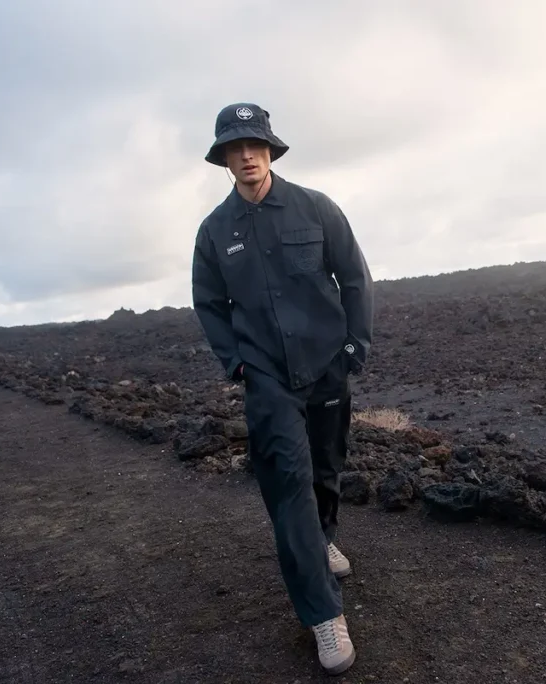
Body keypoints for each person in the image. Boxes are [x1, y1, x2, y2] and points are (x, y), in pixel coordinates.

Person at [191, 102, 373, 676]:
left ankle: (323, 538)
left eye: (255, 145)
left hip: (326, 365)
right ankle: (323, 613)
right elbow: (209, 304)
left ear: (270, 150)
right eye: (235, 148)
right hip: (267, 377)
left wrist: (355, 346)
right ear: (224, 159)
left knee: (325, 468)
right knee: (288, 483)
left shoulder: (316, 208)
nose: (247, 155)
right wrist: (238, 365)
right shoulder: (214, 232)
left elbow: (355, 277)